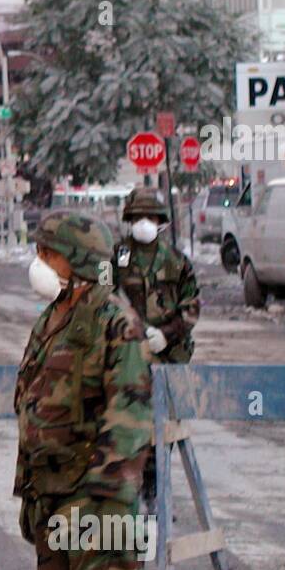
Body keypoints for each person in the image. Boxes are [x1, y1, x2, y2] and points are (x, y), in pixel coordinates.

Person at [14, 210, 153, 570]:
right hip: (53, 493)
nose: (39, 262)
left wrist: (104, 495)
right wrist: (30, 491)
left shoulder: (114, 320)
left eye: (48, 252)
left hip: (94, 497)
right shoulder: (56, 315)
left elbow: (130, 413)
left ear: (74, 259)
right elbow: (33, 401)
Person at [114, 187, 200, 509]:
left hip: (169, 354)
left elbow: (191, 307)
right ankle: (135, 490)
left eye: (150, 217)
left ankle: (156, 488)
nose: (144, 223)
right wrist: (131, 331)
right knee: (131, 424)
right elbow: (103, 299)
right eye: (138, 217)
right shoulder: (118, 257)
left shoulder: (176, 261)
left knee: (164, 428)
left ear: (161, 221)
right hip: (130, 356)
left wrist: (167, 334)